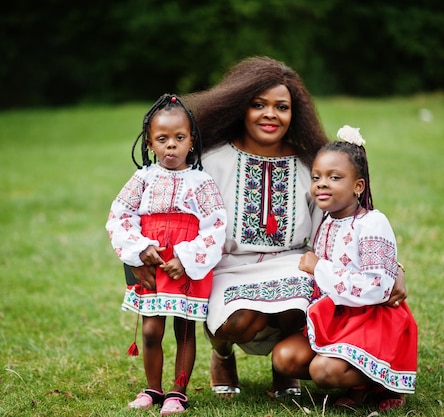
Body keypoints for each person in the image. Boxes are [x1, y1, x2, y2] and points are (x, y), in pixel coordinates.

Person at [127, 56, 407, 398]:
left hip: (291, 261)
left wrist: (394, 268)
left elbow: (343, 225)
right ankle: (222, 353)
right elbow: (165, 213)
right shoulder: (210, 161)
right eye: (258, 105)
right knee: (242, 321)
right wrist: (138, 259)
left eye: (282, 107)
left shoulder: (310, 165)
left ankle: (282, 367)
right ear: (240, 108)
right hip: (225, 265)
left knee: (299, 299)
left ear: (294, 113)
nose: (270, 114)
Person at [271, 125, 418, 411]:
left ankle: (375, 384)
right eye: (317, 178)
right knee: (284, 357)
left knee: (323, 371)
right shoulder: (326, 219)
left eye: (335, 177)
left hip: (371, 318)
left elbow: (377, 286)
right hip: (336, 315)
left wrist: (319, 268)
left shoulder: (372, 223)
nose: (322, 184)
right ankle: (354, 378)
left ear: (358, 186)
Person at [106, 94, 228, 415]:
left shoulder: (201, 182)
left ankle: (177, 392)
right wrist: (139, 249)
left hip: (185, 268)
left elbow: (216, 226)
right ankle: (152, 388)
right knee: (150, 330)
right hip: (152, 263)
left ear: (192, 141)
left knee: (183, 329)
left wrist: (187, 258)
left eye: (179, 138)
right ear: (149, 143)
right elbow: (120, 215)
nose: (171, 146)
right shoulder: (142, 178)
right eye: (162, 139)